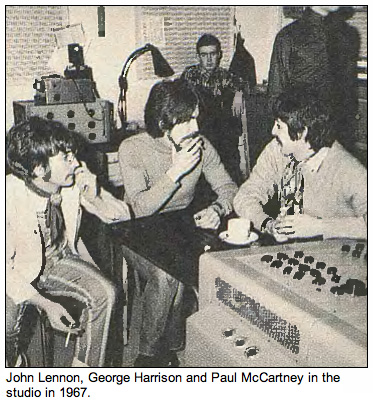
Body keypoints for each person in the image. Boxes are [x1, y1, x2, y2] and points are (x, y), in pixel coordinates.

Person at [118, 79, 237, 367]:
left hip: (180, 227)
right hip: (136, 230)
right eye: (186, 121)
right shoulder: (132, 148)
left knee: (214, 264)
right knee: (167, 276)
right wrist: (175, 172)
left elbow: (230, 187)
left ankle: (171, 344)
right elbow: (139, 208)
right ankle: (146, 357)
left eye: (196, 118)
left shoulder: (200, 145)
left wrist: (219, 209)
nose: (195, 128)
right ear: (163, 122)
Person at [6, 117, 131, 367]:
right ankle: (12, 359)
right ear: (39, 170)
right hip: (13, 268)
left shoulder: (71, 181)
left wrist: (95, 196)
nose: (75, 163)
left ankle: (83, 375)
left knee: (106, 293)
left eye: (71, 154)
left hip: (57, 259)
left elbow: (123, 215)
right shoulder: (8, 197)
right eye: (66, 158)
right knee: (6, 321)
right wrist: (46, 304)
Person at [234, 88, 367, 242]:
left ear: (301, 132)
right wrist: (269, 224)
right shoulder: (276, 150)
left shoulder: (348, 169)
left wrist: (320, 227)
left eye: (279, 126)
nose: (272, 131)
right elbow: (244, 196)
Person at [268, 6, 360, 150]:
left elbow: (348, 91)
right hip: (301, 137)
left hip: (338, 137)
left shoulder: (348, 36)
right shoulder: (288, 36)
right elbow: (276, 93)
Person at [181, 33, 246, 183]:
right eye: (204, 55)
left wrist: (238, 94)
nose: (209, 60)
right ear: (198, 56)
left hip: (222, 135)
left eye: (212, 54)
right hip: (199, 132)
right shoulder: (189, 75)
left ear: (219, 55)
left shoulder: (226, 76)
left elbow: (243, 84)